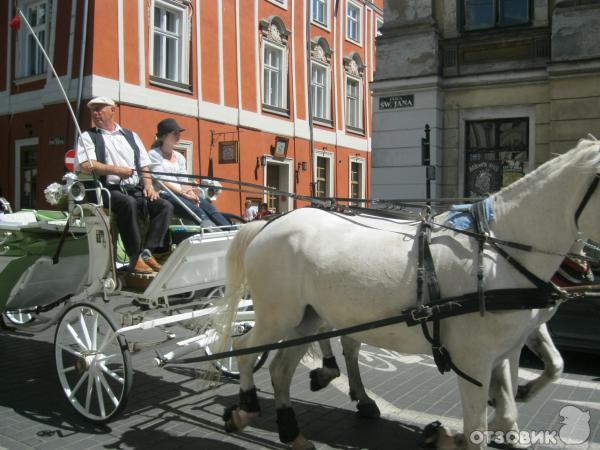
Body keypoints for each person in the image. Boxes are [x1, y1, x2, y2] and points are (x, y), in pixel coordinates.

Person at [76, 96, 174, 274]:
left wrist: (148, 186)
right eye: (93, 110)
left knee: (165, 206)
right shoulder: (88, 137)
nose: (95, 113)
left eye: (99, 108)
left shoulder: (130, 135)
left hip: (134, 188)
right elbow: (86, 165)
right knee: (127, 204)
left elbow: (143, 165)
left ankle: (148, 252)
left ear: (113, 110)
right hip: (107, 189)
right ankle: (134, 257)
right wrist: (116, 170)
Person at [148, 118, 230, 229]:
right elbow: (162, 181)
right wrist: (184, 194)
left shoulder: (179, 157)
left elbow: (184, 180)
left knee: (208, 207)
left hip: (182, 193)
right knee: (197, 210)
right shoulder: (154, 154)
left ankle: (230, 229)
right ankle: (210, 229)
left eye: (179, 133)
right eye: (175, 133)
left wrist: (191, 193)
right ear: (164, 136)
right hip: (165, 194)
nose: (178, 136)